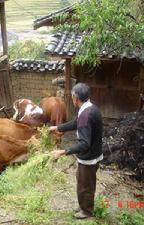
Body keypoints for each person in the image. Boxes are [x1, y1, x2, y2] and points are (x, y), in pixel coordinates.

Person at [49, 83, 103, 219]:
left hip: (88, 157)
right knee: (83, 181)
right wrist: (58, 128)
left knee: (85, 185)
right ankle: (84, 205)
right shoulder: (91, 108)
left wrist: (63, 152)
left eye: (72, 96)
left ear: (75, 98)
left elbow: (84, 144)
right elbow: (76, 123)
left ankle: (86, 211)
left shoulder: (85, 114)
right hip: (94, 152)